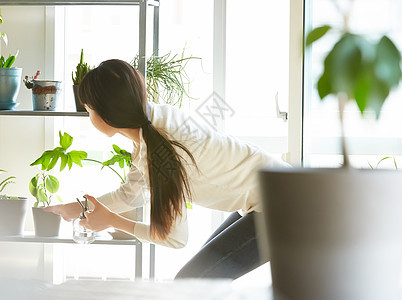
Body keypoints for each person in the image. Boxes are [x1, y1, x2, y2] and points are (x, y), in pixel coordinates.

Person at [45, 59, 290, 280]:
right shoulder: (151, 126)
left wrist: (111, 221)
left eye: (88, 110)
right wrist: (76, 208)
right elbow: (130, 195)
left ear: (106, 116)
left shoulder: (160, 150)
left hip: (285, 206)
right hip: (271, 195)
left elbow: (174, 237)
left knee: (191, 282)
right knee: (198, 282)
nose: (88, 116)